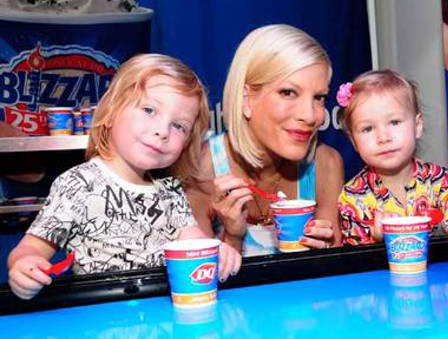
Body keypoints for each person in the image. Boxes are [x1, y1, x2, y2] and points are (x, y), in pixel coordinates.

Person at [7, 54, 241, 300]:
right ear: (111, 112)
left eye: (179, 126)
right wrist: (25, 266)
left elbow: (194, 242)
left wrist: (218, 250)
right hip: (100, 319)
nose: (162, 131)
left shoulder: (171, 190)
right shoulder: (78, 184)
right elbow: (30, 248)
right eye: (149, 110)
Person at [186, 24, 344, 256]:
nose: (310, 116)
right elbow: (198, 283)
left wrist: (325, 255)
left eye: (319, 97)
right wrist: (232, 237)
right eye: (288, 92)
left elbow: (335, 281)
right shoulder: (201, 168)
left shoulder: (326, 165)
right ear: (246, 99)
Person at [336, 70, 448, 245]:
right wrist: (377, 239)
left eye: (394, 122)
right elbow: (353, 261)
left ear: (417, 125)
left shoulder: (440, 180)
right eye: (368, 129)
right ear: (353, 141)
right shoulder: (352, 197)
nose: (383, 137)